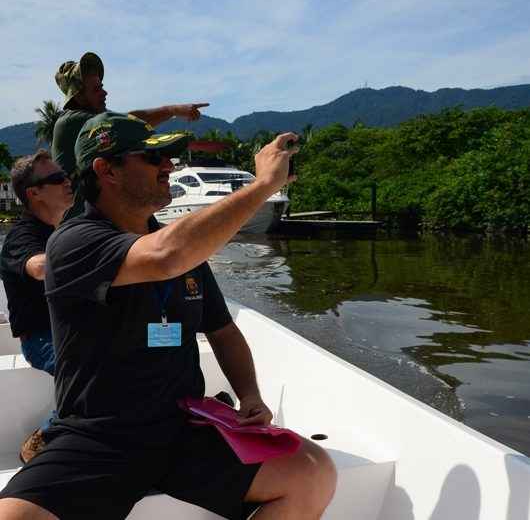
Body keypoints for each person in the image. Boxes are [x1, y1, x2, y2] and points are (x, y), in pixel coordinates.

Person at [0, 112, 337, 520]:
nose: (169, 167)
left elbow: (224, 330)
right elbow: (164, 256)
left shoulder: (185, 250)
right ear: (106, 170)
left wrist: (249, 393)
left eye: (170, 158)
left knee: (313, 472)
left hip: (183, 427)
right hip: (99, 435)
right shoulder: (73, 243)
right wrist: (262, 185)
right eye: (152, 158)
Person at [52, 51, 209, 218]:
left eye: (102, 86)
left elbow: (127, 123)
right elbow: (126, 124)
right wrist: (173, 110)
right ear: (79, 97)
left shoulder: (90, 120)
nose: (105, 93)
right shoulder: (70, 122)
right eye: (96, 89)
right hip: (83, 224)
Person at [0, 150, 74, 463]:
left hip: (74, 329)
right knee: (95, 370)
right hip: (42, 339)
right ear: (34, 193)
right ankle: (46, 437)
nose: (67, 181)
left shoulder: (65, 230)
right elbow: (40, 268)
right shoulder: (22, 235)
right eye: (57, 179)